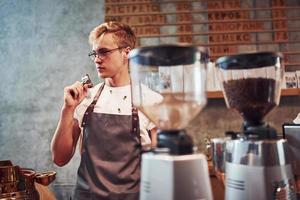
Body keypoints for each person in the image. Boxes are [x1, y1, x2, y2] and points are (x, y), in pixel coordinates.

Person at [51, 21, 160, 200]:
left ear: (126, 52)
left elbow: (160, 170)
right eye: (94, 53)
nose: (96, 59)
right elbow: (59, 158)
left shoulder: (151, 101)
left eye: (104, 52)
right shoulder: (85, 99)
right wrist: (68, 109)